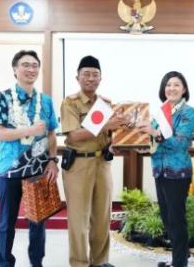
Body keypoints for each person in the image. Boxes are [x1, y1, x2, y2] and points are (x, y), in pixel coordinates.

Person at [0, 50, 59, 267]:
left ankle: (36, 262)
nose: (31, 69)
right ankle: (5, 263)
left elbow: (50, 134)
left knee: (38, 221)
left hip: (38, 169)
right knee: (7, 223)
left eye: (35, 65)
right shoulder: (1, 98)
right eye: (25, 65)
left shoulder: (46, 101)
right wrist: (29, 129)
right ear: (15, 69)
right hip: (9, 169)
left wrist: (52, 160)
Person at [60, 55, 126, 267]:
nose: (90, 78)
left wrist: (119, 139)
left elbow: (110, 134)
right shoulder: (70, 102)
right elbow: (73, 136)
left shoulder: (105, 103)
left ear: (100, 78)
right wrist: (106, 126)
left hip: (102, 164)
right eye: (86, 74)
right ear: (77, 77)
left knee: (102, 218)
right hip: (78, 165)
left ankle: (100, 262)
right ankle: (79, 263)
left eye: (95, 74)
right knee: (79, 221)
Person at [137, 71, 194, 267]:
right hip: (160, 170)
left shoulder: (188, 112)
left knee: (176, 218)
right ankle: (179, 257)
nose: (171, 88)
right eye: (168, 85)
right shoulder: (160, 112)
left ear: (184, 89)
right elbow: (152, 140)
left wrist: (154, 133)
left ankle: (180, 263)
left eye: (176, 85)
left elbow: (180, 143)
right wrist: (141, 143)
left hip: (177, 173)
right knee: (166, 217)